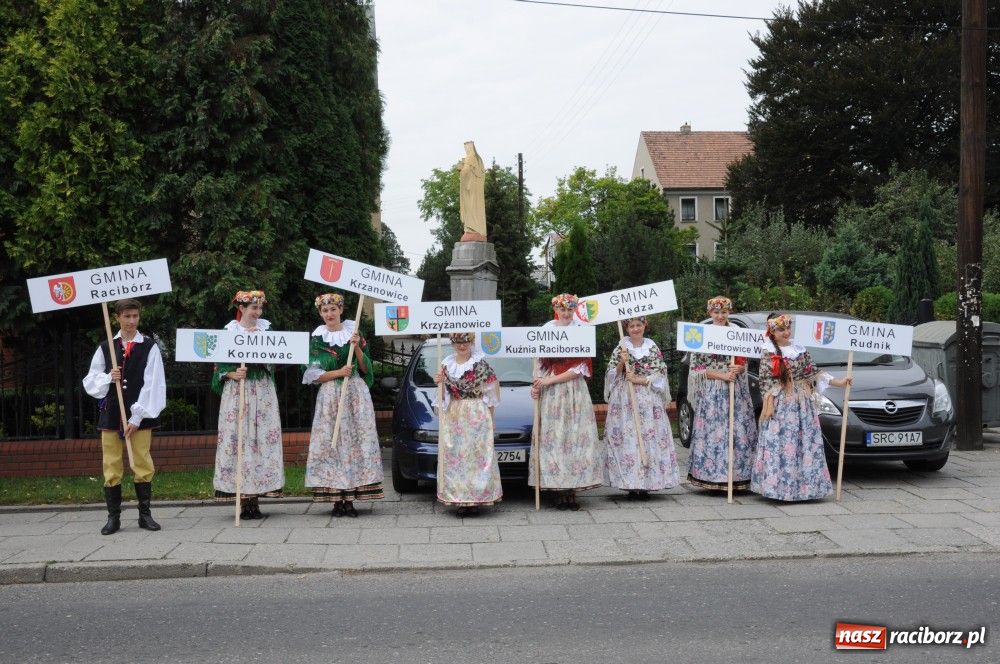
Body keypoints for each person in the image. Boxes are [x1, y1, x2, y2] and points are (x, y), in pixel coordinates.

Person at [83, 299, 166, 535]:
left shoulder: (149, 347)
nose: (131, 321)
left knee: (141, 461)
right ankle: (113, 517)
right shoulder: (106, 346)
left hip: (141, 415)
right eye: (127, 316)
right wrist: (110, 377)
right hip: (111, 414)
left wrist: (136, 418)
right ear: (117, 317)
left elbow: (154, 385)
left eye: (135, 316)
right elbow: (91, 381)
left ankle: (145, 514)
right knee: (111, 464)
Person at [752, 313, 851, 502]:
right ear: (772, 331)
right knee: (783, 443)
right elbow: (765, 381)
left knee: (804, 442)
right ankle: (779, 488)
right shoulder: (768, 351)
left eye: (788, 328)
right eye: (781, 329)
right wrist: (770, 403)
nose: (787, 332)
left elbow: (813, 371)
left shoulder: (799, 349)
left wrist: (840, 382)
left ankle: (806, 488)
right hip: (781, 403)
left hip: (802, 401)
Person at [302, 293, 383, 517]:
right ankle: (336, 498)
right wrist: (338, 372)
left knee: (355, 443)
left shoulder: (355, 333)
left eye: (333, 310)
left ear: (340, 310)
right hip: (330, 396)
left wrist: (356, 347)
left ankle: (351, 499)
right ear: (321, 314)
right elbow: (312, 373)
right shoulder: (317, 339)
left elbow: (366, 369)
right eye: (325, 311)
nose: (329, 314)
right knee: (332, 443)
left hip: (355, 395)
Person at [211, 290, 284, 519]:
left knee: (261, 439)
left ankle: (256, 498)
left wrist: (262, 355)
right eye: (253, 308)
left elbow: (278, 358)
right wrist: (232, 373)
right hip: (237, 392)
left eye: (260, 308)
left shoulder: (266, 330)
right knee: (238, 439)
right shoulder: (229, 332)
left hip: (261, 389)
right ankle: (242, 500)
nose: (258, 312)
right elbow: (218, 366)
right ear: (241, 308)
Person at [529, 293, 604, 510]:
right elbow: (539, 363)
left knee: (574, 437)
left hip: (573, 390)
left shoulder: (580, 330)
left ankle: (572, 488)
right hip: (551, 393)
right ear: (556, 309)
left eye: (570, 309)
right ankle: (558, 488)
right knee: (555, 437)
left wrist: (549, 380)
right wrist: (537, 384)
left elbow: (581, 367)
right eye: (562, 309)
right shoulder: (546, 330)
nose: (566, 313)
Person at [603, 316, 679, 500]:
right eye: (631, 326)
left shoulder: (652, 347)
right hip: (625, 400)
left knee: (648, 437)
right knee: (629, 438)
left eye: (639, 325)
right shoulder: (621, 347)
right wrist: (622, 362)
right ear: (626, 328)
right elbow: (612, 374)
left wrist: (641, 379)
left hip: (648, 398)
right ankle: (631, 484)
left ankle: (647, 484)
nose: (635, 329)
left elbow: (660, 371)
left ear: (645, 325)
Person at [686, 297, 758, 492]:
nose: (720, 316)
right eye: (716, 312)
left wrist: (739, 368)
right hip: (713, 391)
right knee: (714, 432)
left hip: (736, 390)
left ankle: (738, 476)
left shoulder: (737, 333)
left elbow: (744, 362)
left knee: (738, 431)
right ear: (710, 313)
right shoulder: (702, 334)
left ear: (729, 312)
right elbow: (697, 368)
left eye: (724, 312)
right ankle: (712, 475)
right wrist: (722, 375)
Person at [433, 332, 503, 517]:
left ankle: (476, 500)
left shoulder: (481, 366)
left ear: (471, 342)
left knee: (476, 457)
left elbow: (492, 394)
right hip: (455, 414)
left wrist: (491, 418)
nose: (462, 346)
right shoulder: (446, 365)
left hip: (476, 413)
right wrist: (439, 383)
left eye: (465, 342)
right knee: (457, 458)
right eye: (458, 342)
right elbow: (441, 398)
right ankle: (460, 500)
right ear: (453, 343)